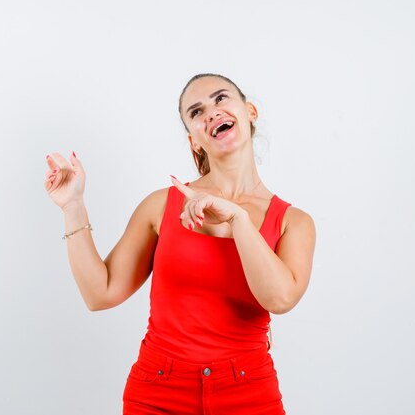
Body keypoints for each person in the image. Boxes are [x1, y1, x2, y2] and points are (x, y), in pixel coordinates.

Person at [44, 73, 316, 414]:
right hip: (157, 390)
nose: (212, 113)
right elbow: (101, 293)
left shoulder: (295, 222)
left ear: (250, 112)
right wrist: (73, 205)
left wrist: (239, 220)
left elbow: (279, 298)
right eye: (196, 112)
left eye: (221, 99)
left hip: (248, 393)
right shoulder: (161, 205)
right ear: (194, 142)